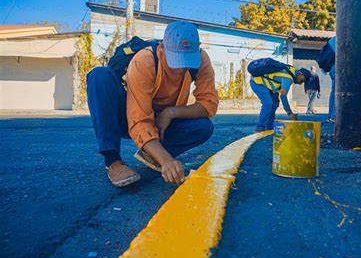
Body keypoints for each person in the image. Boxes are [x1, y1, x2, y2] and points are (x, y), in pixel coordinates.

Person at [87, 21, 218, 187]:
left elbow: (209, 104)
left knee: (203, 127)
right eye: (175, 60)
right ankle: (113, 162)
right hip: (130, 116)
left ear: (197, 49)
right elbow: (139, 121)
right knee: (99, 76)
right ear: (162, 48)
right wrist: (166, 161)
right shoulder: (144, 60)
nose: (180, 68)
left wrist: (171, 112)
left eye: (187, 62)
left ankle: (151, 155)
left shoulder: (201, 59)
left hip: (163, 121)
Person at [250, 65, 310, 131]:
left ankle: (269, 126)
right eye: (303, 80)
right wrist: (289, 112)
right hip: (257, 81)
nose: (301, 83)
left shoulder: (291, 71)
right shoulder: (288, 78)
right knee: (268, 103)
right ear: (300, 74)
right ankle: (260, 127)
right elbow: (283, 96)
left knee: (275, 103)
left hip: (267, 84)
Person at [314, 36, 336, 123]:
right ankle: (334, 116)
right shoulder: (345, 35)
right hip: (337, 67)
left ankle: (331, 115)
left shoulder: (333, 39)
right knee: (338, 92)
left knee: (334, 92)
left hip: (331, 68)